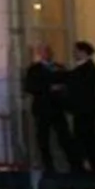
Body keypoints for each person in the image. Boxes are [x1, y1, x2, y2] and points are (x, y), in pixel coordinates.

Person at [21, 43, 66, 171]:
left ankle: (71, 163)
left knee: (64, 136)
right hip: (42, 108)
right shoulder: (34, 69)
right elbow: (29, 87)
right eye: (43, 51)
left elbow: (68, 83)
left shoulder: (59, 67)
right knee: (43, 138)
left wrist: (62, 89)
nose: (47, 54)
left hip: (58, 108)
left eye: (48, 51)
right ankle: (48, 165)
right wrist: (48, 88)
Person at [65, 40, 95, 176]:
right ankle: (87, 167)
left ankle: (90, 168)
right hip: (84, 110)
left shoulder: (87, 68)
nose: (73, 53)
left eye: (76, 51)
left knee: (86, 139)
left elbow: (80, 88)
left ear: (83, 52)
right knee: (85, 139)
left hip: (86, 110)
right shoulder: (85, 68)